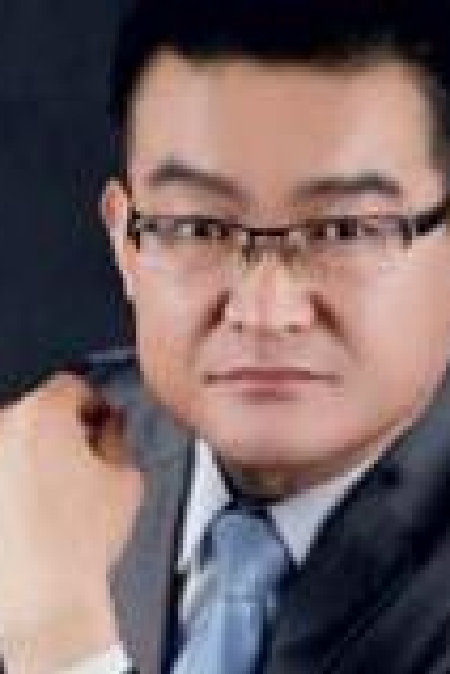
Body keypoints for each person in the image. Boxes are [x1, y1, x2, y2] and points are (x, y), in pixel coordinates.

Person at [3, 0, 450, 672]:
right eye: (199, 228)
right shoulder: (44, 461)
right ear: (125, 242)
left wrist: (65, 645)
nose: (265, 312)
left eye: (343, 230)